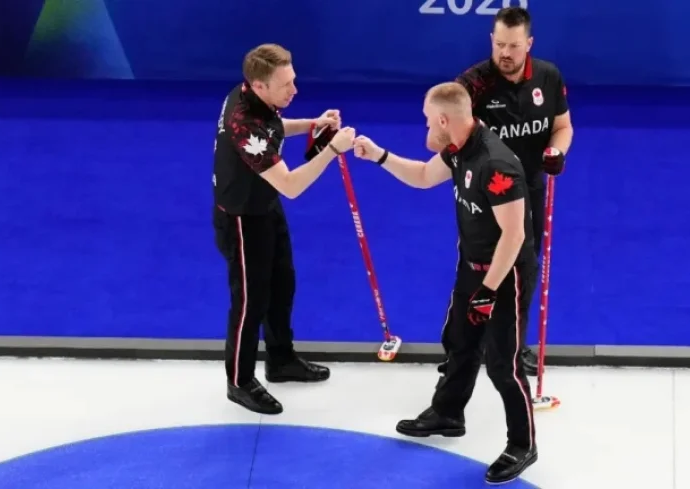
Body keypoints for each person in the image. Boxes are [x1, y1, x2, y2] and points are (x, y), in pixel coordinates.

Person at [352, 82, 539, 485]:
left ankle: (522, 445)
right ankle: (449, 413)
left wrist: (488, 291)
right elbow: (422, 175)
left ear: (442, 120)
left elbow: (514, 236)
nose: (424, 125)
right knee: (459, 340)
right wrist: (379, 156)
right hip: (472, 266)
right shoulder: (458, 149)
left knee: (503, 365)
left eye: (426, 119)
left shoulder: (496, 164)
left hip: (506, 276)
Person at [212, 43, 356, 415]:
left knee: (282, 284)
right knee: (250, 301)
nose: (295, 91)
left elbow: (273, 128)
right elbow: (291, 185)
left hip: (264, 205)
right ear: (260, 86)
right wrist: (332, 150)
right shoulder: (245, 122)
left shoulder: (253, 98)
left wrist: (313, 124)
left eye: (293, 81)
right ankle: (239, 381)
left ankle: (280, 359)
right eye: (285, 86)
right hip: (242, 219)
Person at [438, 6, 574, 377]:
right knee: (472, 269)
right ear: (491, 41)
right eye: (499, 45)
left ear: (528, 43)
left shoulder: (548, 77)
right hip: (481, 199)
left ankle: (515, 346)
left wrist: (557, 151)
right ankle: (460, 348)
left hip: (527, 190)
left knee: (522, 271)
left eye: (513, 46)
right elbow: (444, 128)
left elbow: (563, 127)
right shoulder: (474, 84)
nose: (505, 54)